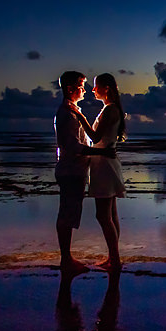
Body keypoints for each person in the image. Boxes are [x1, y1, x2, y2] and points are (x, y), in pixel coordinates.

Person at [54, 71, 114, 275]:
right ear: (70, 89)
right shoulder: (67, 114)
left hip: (75, 170)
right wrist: (101, 151)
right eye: (81, 85)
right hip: (70, 171)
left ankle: (67, 258)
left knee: (69, 214)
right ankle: (66, 260)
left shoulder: (72, 111)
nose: (85, 90)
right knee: (67, 215)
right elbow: (74, 146)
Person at [74, 73, 127, 272]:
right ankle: (113, 257)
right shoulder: (111, 109)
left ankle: (115, 259)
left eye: (96, 87)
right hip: (105, 164)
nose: (93, 90)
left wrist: (80, 117)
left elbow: (95, 137)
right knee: (110, 215)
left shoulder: (111, 110)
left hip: (105, 166)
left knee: (103, 215)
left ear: (106, 88)